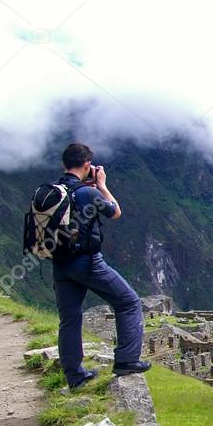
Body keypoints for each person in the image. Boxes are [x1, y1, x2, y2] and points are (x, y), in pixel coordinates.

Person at [53, 143, 150, 389]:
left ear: (64, 164)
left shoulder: (54, 191)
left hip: (60, 263)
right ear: (87, 165)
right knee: (128, 302)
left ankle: (75, 376)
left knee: (69, 319)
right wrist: (102, 185)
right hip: (87, 262)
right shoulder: (87, 193)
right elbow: (115, 212)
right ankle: (127, 360)